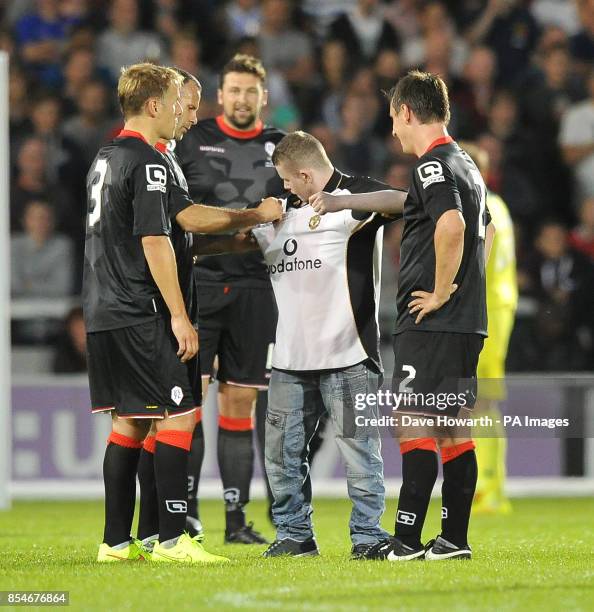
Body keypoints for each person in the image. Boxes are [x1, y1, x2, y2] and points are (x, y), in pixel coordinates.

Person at [83, 62, 281, 564]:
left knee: (130, 422)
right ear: (153, 106)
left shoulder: (108, 156)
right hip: (143, 308)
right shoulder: (150, 161)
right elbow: (154, 240)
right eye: (176, 101)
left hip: (106, 308)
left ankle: (120, 541)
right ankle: (173, 537)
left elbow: (178, 231)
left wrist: (233, 239)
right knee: (179, 415)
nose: (182, 110)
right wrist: (178, 315)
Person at [310, 70, 495, 561]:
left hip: (432, 321)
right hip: (465, 322)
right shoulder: (466, 165)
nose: (392, 128)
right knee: (454, 428)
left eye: (394, 116)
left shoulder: (432, 165)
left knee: (411, 422)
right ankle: (453, 539)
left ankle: (407, 542)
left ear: (408, 112)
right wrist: (342, 200)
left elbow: (452, 226)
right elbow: (484, 231)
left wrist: (440, 290)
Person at [202, 130, 406, 558]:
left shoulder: (355, 197)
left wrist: (342, 201)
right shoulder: (281, 212)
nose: (285, 188)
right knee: (280, 456)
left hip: (350, 355)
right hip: (290, 360)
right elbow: (227, 244)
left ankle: (368, 538)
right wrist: (248, 220)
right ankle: (295, 535)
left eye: (289, 180)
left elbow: (405, 201)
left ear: (304, 172)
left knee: (361, 454)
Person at [176, 54, 284, 544]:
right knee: (191, 404)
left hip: (256, 287)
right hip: (198, 284)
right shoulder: (191, 141)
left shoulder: (282, 148)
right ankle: (186, 514)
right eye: (234, 90)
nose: (242, 98)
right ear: (221, 95)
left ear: (264, 97)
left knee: (239, 402)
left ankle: (236, 521)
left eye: (250, 91)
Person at [460, 142, 518, 515]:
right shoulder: (498, 204)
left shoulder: (483, 209)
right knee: (481, 400)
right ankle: (491, 485)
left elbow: (477, 265)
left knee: (480, 400)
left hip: (489, 312)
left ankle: (489, 487)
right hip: (498, 306)